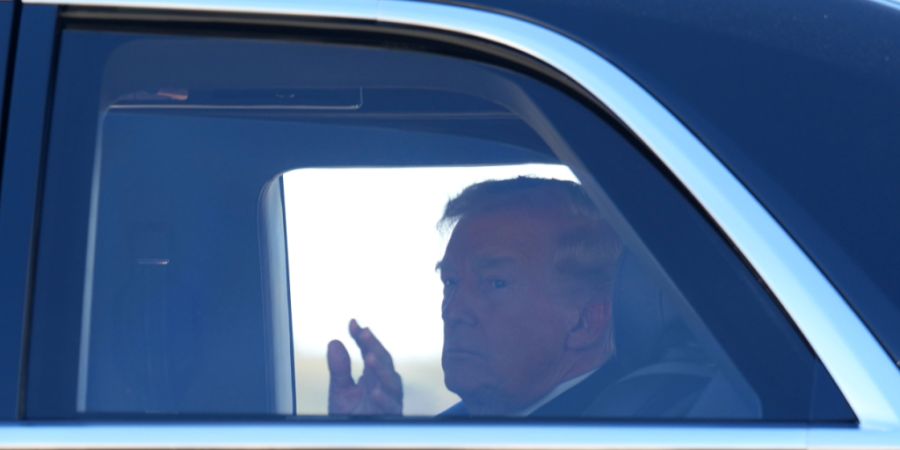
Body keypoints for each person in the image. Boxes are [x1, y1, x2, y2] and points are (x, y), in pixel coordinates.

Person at [326, 177, 622, 417]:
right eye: (451, 282)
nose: (453, 311)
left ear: (585, 322)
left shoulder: (620, 432)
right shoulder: (457, 426)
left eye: (495, 283)